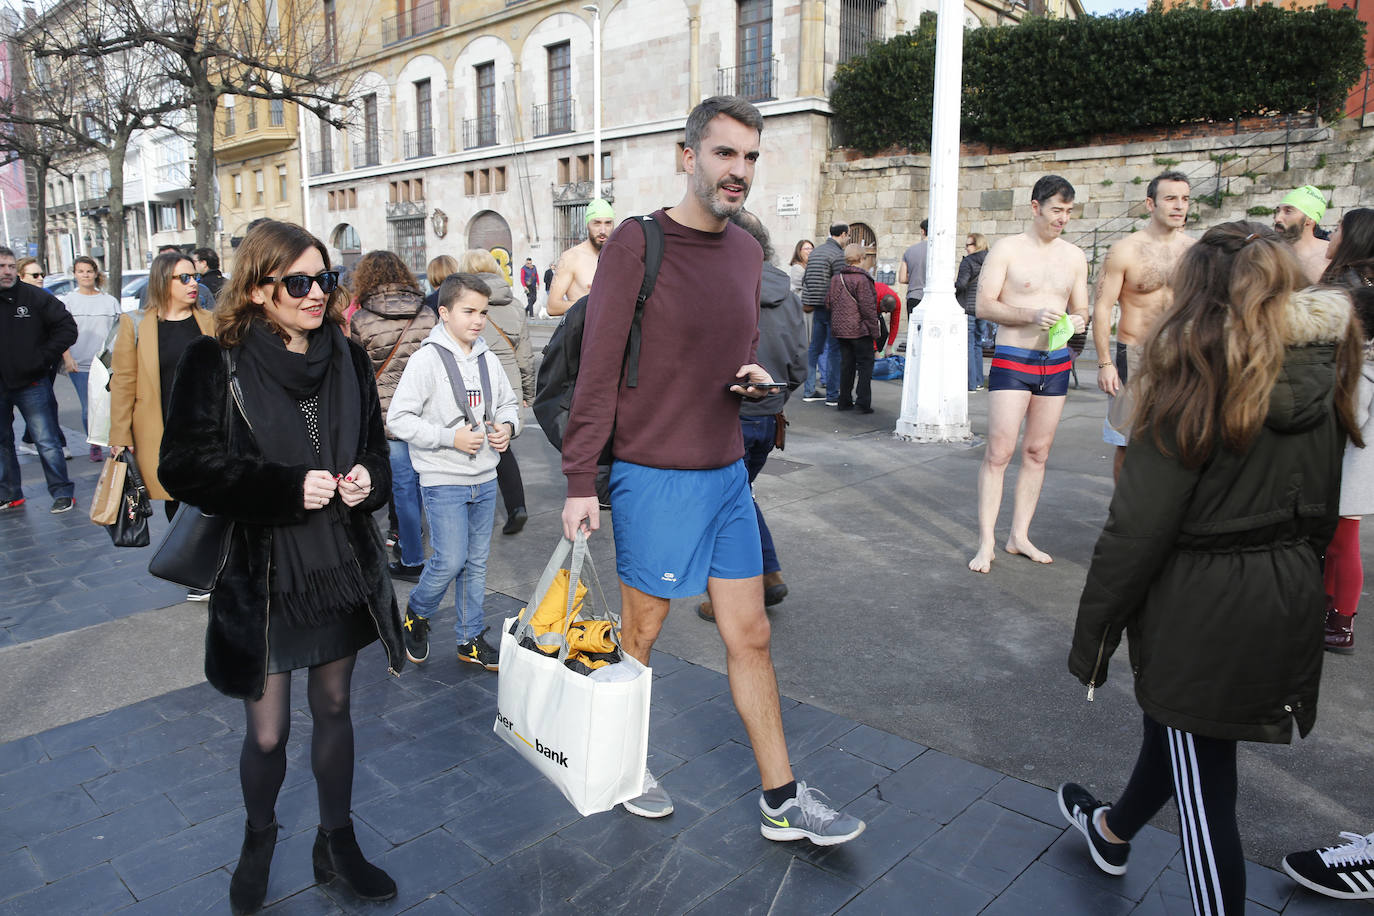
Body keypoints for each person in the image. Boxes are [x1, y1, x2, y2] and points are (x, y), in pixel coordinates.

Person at [560, 95, 866, 845]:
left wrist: (754, 380)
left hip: (727, 468)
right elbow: (597, 367)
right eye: (726, 154)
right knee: (642, 631)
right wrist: (577, 481)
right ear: (687, 155)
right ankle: (620, 764)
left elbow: (730, 356)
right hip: (653, 472)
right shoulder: (637, 242)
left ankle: (781, 797)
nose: (739, 171)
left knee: (751, 633)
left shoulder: (745, 253)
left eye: (751, 157)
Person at [1059, 222, 1363, 916]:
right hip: (1285, 584)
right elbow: (1324, 509)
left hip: (1203, 603)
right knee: (1180, 734)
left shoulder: (1192, 371)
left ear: (1196, 290)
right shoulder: (1323, 366)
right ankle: (1111, 830)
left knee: (1206, 792)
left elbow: (1137, 529)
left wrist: (1094, 639)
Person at [158, 220, 404, 915]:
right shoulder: (217, 363)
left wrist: (367, 483)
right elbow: (182, 468)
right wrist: (283, 487)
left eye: (325, 280)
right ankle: (258, 841)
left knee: (335, 707)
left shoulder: (349, 358)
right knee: (267, 732)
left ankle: (338, 842)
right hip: (265, 577)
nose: (316, 294)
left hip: (339, 564)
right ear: (260, 288)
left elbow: (378, 455)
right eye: (298, 282)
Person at [387, 273, 521, 670]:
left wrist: (506, 428)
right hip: (443, 479)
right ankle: (417, 611)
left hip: (485, 479)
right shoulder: (426, 360)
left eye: (482, 312)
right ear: (444, 313)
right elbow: (399, 419)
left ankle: (469, 638)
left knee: (477, 562)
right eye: (468, 311)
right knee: (449, 560)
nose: (478, 320)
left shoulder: (488, 358)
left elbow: (509, 404)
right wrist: (449, 438)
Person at [969, 175, 1089, 573]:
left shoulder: (1074, 256)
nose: (1063, 219)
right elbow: (984, 305)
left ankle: (1019, 535)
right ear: (1035, 207)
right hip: (1013, 356)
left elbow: (1083, 310)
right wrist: (1031, 314)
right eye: (1057, 210)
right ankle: (986, 541)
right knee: (999, 452)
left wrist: (1075, 320)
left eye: (1069, 212)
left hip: (1054, 361)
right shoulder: (1008, 249)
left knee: (1037, 453)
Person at [698, 210, 807, 622]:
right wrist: (774, 402)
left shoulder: (726, 289)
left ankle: (740, 592)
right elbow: (799, 365)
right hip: (769, 418)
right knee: (737, 496)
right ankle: (768, 574)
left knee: (727, 505)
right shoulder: (787, 294)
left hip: (731, 416)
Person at [109, 250, 215, 585]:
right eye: (183, 278)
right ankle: (195, 572)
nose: (192, 284)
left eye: (194, 276)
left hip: (208, 427)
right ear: (162, 281)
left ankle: (216, 566)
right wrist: (119, 435)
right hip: (161, 430)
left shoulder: (210, 321)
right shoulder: (137, 324)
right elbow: (123, 380)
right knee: (177, 501)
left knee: (211, 495)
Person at [1093, 171, 1195, 480]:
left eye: (1185, 199)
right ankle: (1124, 512)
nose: (1179, 206)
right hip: (1134, 355)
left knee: (1178, 439)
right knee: (1128, 441)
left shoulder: (1194, 251)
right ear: (1150, 204)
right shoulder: (1125, 250)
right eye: (1170, 199)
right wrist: (1105, 363)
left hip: (1180, 354)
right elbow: (1102, 307)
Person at [347, 249, 437, 583]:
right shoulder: (427, 314)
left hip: (390, 420)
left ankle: (412, 559)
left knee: (405, 492)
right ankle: (445, 556)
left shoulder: (361, 319)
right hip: (429, 416)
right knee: (436, 488)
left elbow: (357, 375)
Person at [1316, 207, 1374, 654]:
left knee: (1342, 529)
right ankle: (1336, 611)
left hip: (1350, 402)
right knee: (1343, 526)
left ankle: (1341, 621)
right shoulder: (1362, 283)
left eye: (1336, 228)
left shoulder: (1345, 288)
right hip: (1361, 402)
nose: (1329, 234)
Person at [459, 248, 535, 535]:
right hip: (509, 382)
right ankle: (517, 506)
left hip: (475, 381)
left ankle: (474, 515)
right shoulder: (514, 303)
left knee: (472, 445)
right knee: (503, 446)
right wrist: (528, 391)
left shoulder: (464, 303)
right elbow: (525, 355)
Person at [0, 246, 77, 513]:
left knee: (46, 440)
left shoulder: (33, 296)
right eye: (1, 266)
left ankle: (62, 492)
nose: (7, 271)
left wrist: (42, 358)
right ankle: (10, 493)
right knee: (2, 442)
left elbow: (67, 327)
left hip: (32, 382)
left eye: (10, 266)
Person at [60, 256, 122, 462]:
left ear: (96, 273)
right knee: (89, 408)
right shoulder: (68, 301)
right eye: (80, 271)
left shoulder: (109, 301)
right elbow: (58, 331)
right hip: (81, 362)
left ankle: (114, 441)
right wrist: (67, 357)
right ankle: (95, 442)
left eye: (89, 271)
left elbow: (119, 330)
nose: (85, 275)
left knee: (110, 404)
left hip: (106, 363)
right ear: (75, 274)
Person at [15, 256, 71, 459]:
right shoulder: (13, 299)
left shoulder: (46, 297)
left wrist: (50, 354)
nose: (40, 278)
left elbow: (64, 328)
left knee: (45, 403)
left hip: (44, 362)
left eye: (42, 274)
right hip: (16, 368)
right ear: (20, 276)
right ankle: (41, 441)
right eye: (35, 275)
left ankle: (36, 441)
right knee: (41, 405)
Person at [826, 243, 881, 413]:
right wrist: (875, 331)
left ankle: (844, 401)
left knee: (846, 365)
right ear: (861, 258)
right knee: (865, 365)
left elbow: (828, 302)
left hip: (841, 330)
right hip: (860, 329)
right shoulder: (862, 279)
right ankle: (862, 403)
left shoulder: (837, 278)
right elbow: (868, 308)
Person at [800, 222, 849, 403]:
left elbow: (806, 278)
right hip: (831, 306)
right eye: (848, 236)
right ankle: (832, 396)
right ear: (843, 234)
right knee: (834, 351)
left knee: (814, 349)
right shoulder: (837, 254)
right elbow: (839, 283)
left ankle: (809, 391)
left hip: (815, 305)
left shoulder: (817, 252)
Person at [548, 199, 614, 316]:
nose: (603, 230)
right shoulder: (571, 257)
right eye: (597, 223)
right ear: (588, 225)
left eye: (608, 223)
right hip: (583, 332)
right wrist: (592, 304)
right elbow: (552, 307)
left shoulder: (619, 257)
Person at [1274, 185, 1331, 284]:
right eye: (1278, 211)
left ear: (1310, 219)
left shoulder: (1331, 255)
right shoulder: (1268, 252)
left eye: (1288, 211)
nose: (1277, 218)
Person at [956, 233, 991, 391]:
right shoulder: (991, 260)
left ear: (977, 245)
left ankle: (970, 384)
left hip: (968, 307)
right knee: (977, 345)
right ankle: (978, 381)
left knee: (968, 345)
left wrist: (953, 286)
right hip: (982, 307)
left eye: (968, 244)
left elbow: (962, 284)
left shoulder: (968, 261)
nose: (966, 248)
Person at [140, 244, 216, 310]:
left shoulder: (203, 291)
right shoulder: (148, 290)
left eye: (194, 276)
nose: (194, 283)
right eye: (184, 277)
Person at [899, 218, 929, 316]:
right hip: (933, 298)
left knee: (914, 330)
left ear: (922, 231)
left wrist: (914, 277)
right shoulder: (939, 251)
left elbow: (902, 278)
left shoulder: (909, 251)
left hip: (914, 296)